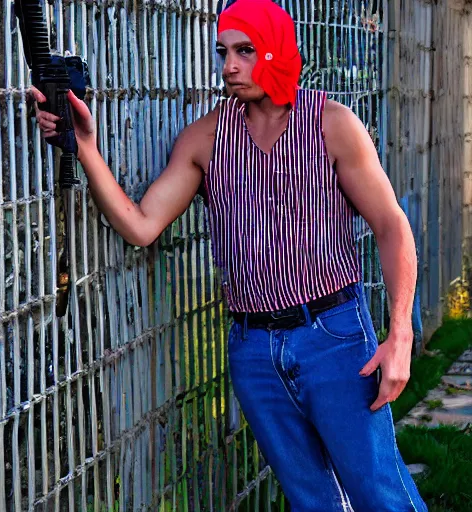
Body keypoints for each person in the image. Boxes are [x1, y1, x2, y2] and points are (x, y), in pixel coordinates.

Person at [32, 0, 428, 509]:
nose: (229, 67)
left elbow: (391, 225)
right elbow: (141, 225)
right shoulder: (206, 137)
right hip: (253, 350)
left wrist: (400, 334)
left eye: (245, 51)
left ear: (277, 51)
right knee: (314, 501)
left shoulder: (332, 124)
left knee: (379, 494)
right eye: (224, 52)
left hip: (333, 336)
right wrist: (86, 146)